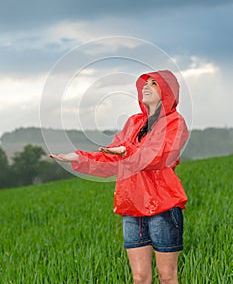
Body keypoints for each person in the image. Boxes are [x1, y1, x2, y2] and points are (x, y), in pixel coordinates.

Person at [50, 69, 189, 284]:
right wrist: (78, 158)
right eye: (144, 82)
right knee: (140, 278)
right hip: (131, 207)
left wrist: (127, 152)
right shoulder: (133, 123)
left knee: (167, 277)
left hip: (163, 207)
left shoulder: (175, 123)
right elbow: (112, 158)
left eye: (153, 83)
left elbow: (159, 156)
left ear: (168, 91)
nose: (146, 86)